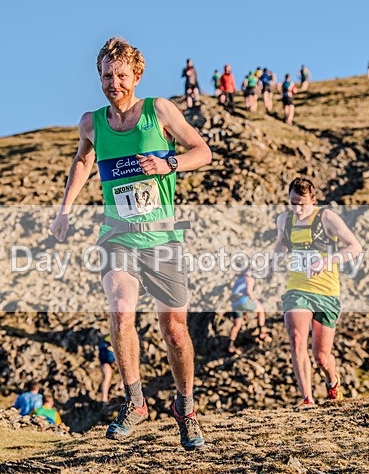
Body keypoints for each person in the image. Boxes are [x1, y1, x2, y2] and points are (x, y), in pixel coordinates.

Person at [50, 37, 213, 451]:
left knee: (174, 329)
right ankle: (135, 401)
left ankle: (185, 407)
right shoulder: (93, 121)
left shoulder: (158, 111)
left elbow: (203, 151)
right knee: (122, 313)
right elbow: (84, 159)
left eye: (121, 75)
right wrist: (65, 209)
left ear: (136, 76)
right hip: (117, 235)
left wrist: (168, 163)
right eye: (107, 75)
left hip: (161, 237)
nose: (114, 83)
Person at [273, 177, 362, 407]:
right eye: (293, 203)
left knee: (321, 356)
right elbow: (282, 243)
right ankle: (307, 399)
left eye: (303, 203)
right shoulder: (285, 219)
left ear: (313, 200)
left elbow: (354, 247)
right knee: (296, 339)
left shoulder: (327, 217)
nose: (298, 209)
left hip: (326, 292)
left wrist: (328, 261)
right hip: (298, 288)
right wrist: (272, 261)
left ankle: (333, 383)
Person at [228, 269, 271, 352]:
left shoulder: (237, 281)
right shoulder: (249, 279)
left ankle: (231, 345)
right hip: (243, 301)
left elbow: (233, 292)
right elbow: (249, 291)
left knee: (237, 325)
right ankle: (261, 332)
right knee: (261, 310)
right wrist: (254, 300)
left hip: (234, 304)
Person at [98, 334, 121, 403]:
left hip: (117, 363)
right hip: (106, 363)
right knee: (107, 376)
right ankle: (104, 399)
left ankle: (120, 388)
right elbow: (103, 354)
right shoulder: (106, 344)